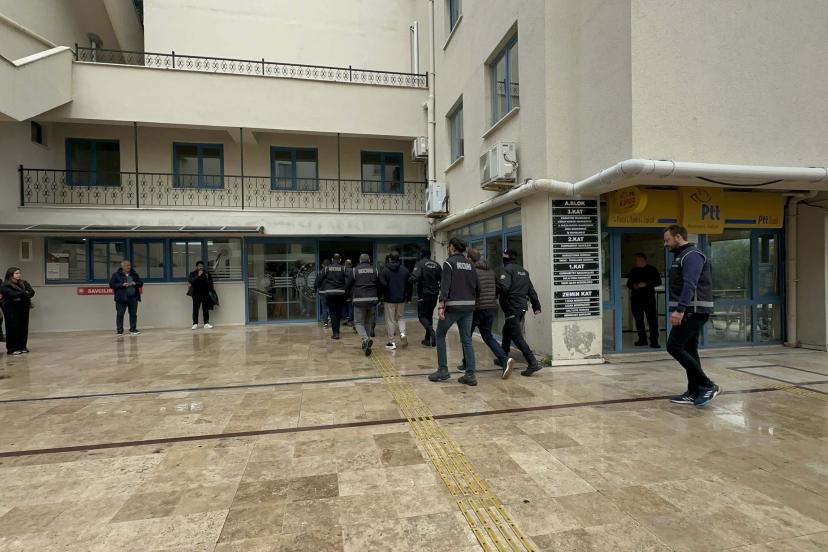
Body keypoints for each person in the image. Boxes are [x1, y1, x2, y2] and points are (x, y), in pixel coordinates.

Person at [663, 224, 720, 406]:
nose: (665, 244)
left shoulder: (692, 255)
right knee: (689, 350)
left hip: (692, 311)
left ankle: (708, 385)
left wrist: (680, 310)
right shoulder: (682, 256)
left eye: (667, 240)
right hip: (690, 311)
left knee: (674, 346)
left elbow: (690, 284)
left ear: (678, 237)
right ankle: (694, 391)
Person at [429, 238, 479, 386]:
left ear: (451, 247)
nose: (448, 249)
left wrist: (441, 306)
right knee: (467, 340)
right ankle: (470, 375)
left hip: (453, 306)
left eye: (448, 247)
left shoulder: (449, 263)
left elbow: (445, 286)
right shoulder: (471, 264)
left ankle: (443, 370)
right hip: (469, 307)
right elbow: (477, 287)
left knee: (440, 335)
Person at [458, 249, 515, 379]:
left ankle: (467, 364)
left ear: (470, 259)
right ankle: (505, 361)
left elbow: (471, 290)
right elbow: (498, 287)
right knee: (487, 336)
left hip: (477, 308)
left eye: (467, 258)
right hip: (491, 307)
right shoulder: (490, 271)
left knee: (466, 336)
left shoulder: (472, 271)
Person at [498, 249, 542, 376]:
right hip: (521, 307)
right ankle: (503, 357)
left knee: (517, 337)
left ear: (507, 257)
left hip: (512, 307)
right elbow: (531, 290)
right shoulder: (524, 272)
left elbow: (504, 287)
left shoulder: (507, 270)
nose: (503, 257)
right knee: (507, 331)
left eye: (504, 255)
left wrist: (495, 289)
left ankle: (532, 362)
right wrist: (536, 306)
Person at [346, 253, 379, 356]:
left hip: (359, 300)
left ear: (360, 261)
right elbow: (380, 284)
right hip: (372, 300)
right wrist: (379, 297)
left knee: (358, 323)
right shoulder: (375, 270)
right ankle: (366, 346)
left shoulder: (354, 270)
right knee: (367, 322)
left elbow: (348, 285)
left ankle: (365, 339)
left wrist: (348, 296)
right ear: (369, 260)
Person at [626, 252, 662, 347]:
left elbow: (658, 282)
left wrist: (646, 284)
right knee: (638, 320)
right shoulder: (634, 271)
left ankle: (654, 341)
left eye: (636, 260)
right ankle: (642, 339)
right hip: (636, 299)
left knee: (652, 320)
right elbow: (629, 284)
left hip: (648, 298)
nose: (635, 262)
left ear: (642, 260)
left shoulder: (652, 270)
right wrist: (634, 285)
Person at [379, 251, 412, 350]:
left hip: (389, 299)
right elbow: (409, 284)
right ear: (399, 258)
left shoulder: (385, 270)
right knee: (400, 317)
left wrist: (380, 297)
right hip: (401, 299)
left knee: (390, 320)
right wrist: (409, 298)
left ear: (390, 259)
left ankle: (392, 342)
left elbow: (382, 285)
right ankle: (402, 334)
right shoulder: (405, 270)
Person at [410, 249, 442, 347]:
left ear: (421, 254)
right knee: (429, 316)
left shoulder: (420, 264)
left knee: (421, 316)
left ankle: (432, 332)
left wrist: (409, 279)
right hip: (434, 295)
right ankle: (427, 340)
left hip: (424, 295)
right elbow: (443, 279)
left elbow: (415, 277)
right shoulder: (436, 265)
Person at [1, 267, 35, 355]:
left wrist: (23, 294)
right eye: (16, 273)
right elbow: (12, 294)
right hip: (11, 309)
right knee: (13, 328)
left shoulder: (24, 283)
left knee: (23, 327)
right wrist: (24, 293)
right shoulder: (5, 285)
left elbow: (31, 292)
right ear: (10, 274)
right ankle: (12, 348)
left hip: (24, 308)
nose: (19, 275)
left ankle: (22, 346)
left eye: (19, 273)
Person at [315, 253, 347, 339]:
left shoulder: (326, 269)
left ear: (332, 260)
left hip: (330, 293)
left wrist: (319, 287)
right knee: (338, 313)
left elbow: (318, 279)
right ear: (340, 260)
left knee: (332, 313)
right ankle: (337, 331)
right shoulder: (344, 268)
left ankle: (335, 333)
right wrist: (345, 289)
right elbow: (349, 279)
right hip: (340, 293)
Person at [109, 260, 143, 337]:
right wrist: (121, 284)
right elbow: (111, 285)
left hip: (133, 298)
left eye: (129, 265)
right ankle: (120, 331)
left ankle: (133, 329)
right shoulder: (116, 275)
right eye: (127, 265)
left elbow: (141, 283)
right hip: (121, 298)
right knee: (120, 314)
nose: (129, 267)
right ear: (122, 266)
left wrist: (135, 283)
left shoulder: (134, 274)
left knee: (133, 314)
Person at [188, 260, 214, 330]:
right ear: (196, 267)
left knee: (205, 309)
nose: (201, 267)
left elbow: (211, 283)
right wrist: (198, 275)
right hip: (196, 294)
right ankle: (195, 323)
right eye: (199, 266)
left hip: (205, 294)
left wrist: (211, 291)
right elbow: (190, 281)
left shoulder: (207, 273)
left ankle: (206, 323)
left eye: (202, 266)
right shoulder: (193, 273)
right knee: (195, 309)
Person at [319, 258, 331, 328]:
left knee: (324, 307)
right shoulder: (331, 272)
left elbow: (318, 281)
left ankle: (325, 323)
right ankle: (331, 319)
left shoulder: (321, 272)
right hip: (330, 292)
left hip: (322, 292)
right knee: (330, 307)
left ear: (323, 265)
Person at [343, 259, 354, 327]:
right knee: (350, 306)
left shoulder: (342, 271)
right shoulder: (353, 271)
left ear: (345, 264)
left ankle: (345, 319)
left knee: (343, 306)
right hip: (351, 291)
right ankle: (350, 320)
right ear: (351, 264)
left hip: (343, 291)